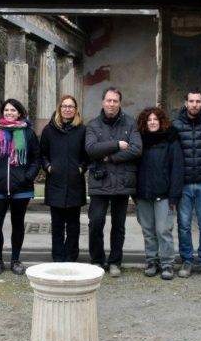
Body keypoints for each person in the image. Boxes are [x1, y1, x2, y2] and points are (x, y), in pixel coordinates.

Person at [85, 87, 142, 277]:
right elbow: (92, 150)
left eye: (115, 101)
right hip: (99, 181)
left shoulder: (130, 124)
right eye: (108, 100)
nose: (111, 104)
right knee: (96, 223)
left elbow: (136, 149)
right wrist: (117, 145)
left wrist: (110, 157)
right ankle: (97, 261)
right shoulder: (93, 125)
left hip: (122, 182)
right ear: (103, 102)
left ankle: (115, 262)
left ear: (120, 103)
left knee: (119, 225)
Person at [0, 98, 40, 275]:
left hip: (21, 189)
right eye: (6, 110)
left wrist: (27, 177)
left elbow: (35, 159)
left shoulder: (28, 133)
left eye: (13, 110)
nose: (9, 113)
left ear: (20, 113)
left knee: (17, 224)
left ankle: (15, 260)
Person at [172, 89, 201, 279]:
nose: (194, 105)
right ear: (186, 103)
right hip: (183, 184)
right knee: (183, 225)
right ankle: (187, 260)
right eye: (191, 101)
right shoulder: (175, 125)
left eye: (198, 101)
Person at [134, 106, 184, 280]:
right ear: (144, 123)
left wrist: (174, 195)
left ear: (161, 121)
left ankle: (167, 263)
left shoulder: (170, 139)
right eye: (149, 120)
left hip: (164, 194)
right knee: (148, 230)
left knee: (163, 230)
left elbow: (177, 168)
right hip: (143, 193)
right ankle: (152, 260)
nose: (152, 122)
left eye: (155, 119)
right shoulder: (139, 141)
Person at [40, 94, 88, 262]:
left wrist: (81, 168)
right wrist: (48, 167)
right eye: (64, 106)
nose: (68, 109)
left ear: (75, 110)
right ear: (59, 109)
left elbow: (86, 154)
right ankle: (58, 257)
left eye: (71, 107)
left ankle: (71, 256)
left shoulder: (82, 130)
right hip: (56, 183)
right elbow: (42, 154)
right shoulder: (49, 130)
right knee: (57, 225)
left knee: (74, 225)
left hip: (75, 183)